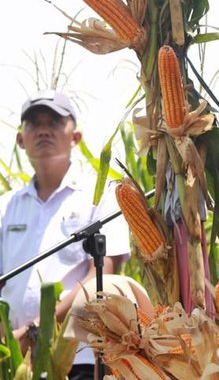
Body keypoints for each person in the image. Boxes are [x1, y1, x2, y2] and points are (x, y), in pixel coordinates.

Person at [0, 90, 130, 378]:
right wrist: (10, 337)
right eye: (34, 123)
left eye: (55, 122)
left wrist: (36, 331)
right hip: (13, 359)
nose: (44, 130)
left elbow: (104, 271)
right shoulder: (5, 206)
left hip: (78, 358)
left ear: (76, 137)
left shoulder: (102, 195)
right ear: (21, 139)